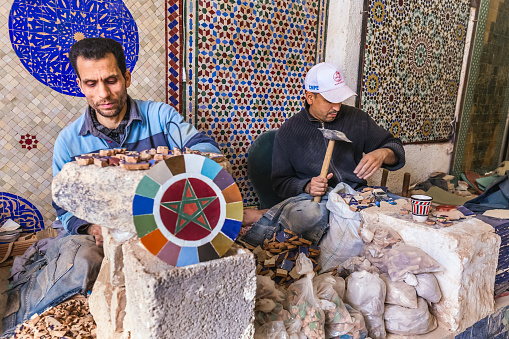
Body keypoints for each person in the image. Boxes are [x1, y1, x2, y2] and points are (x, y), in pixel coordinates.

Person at [52, 38, 221, 246]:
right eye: (91, 84)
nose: (103, 94)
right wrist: (91, 228)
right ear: (80, 86)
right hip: (103, 236)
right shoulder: (68, 142)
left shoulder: (161, 116)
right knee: (82, 262)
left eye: (111, 80)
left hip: (167, 220)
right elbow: (62, 205)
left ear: (127, 77)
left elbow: (207, 150)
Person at [242, 62, 405, 245]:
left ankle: (269, 214)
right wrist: (307, 186)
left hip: (356, 195)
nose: (336, 107)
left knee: (403, 212)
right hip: (315, 201)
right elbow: (281, 183)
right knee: (306, 219)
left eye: (339, 99)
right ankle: (265, 215)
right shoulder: (289, 131)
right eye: (329, 100)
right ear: (310, 97)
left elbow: (396, 148)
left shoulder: (357, 119)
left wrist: (383, 153)